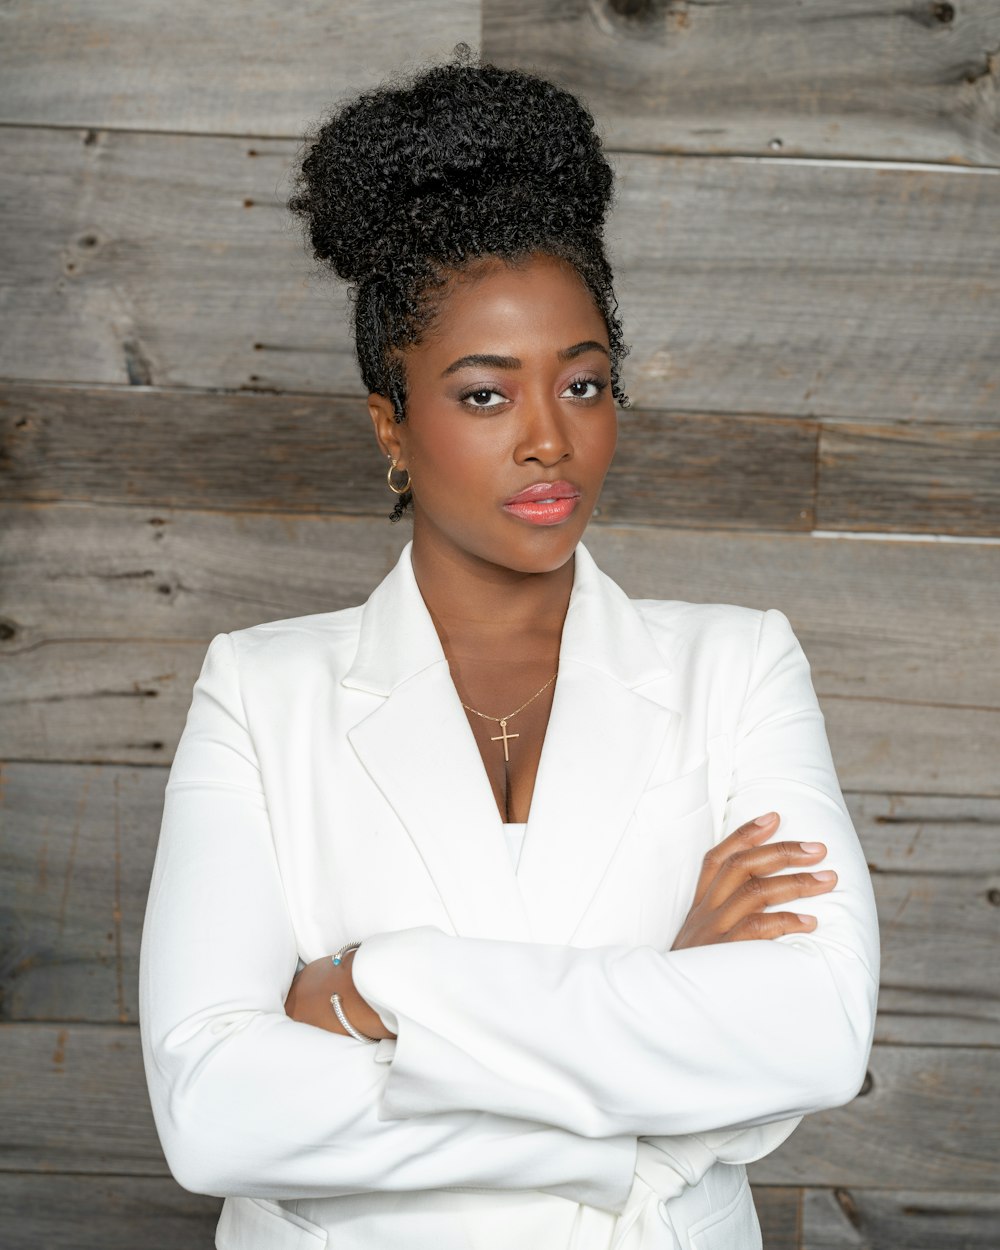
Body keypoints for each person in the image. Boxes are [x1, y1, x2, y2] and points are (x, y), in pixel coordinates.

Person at [139, 51, 879, 1250]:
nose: (549, 438)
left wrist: (380, 984)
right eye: (485, 394)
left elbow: (814, 1030)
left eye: (584, 383)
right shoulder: (259, 690)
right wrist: (660, 1021)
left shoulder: (737, 666)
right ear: (392, 419)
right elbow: (215, 1113)